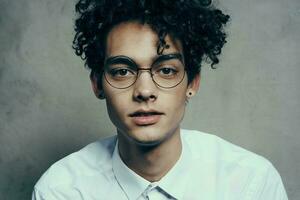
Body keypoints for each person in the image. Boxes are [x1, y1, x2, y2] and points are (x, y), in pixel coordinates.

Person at [32, 0, 288, 199]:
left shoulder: (251, 184)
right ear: (97, 84)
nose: (144, 91)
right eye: (122, 71)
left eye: (166, 70)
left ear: (193, 82)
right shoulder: (60, 191)